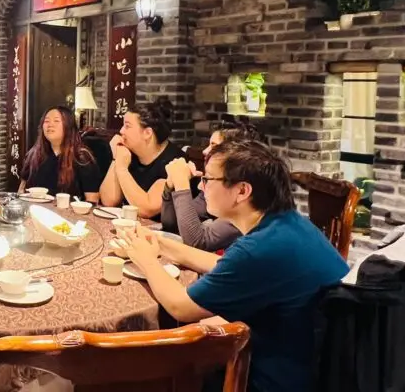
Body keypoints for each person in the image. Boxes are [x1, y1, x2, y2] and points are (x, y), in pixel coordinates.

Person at [118, 140, 348, 392]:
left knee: (155, 369)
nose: (202, 186)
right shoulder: (288, 225)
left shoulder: (258, 250)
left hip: (273, 378)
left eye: (208, 180)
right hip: (321, 367)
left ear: (241, 191)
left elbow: (179, 306)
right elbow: (223, 265)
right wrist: (162, 244)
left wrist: (147, 260)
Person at [159, 121, 261, 251]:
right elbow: (172, 226)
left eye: (214, 146)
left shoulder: (243, 198)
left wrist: (182, 184)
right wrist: (170, 186)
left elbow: (197, 241)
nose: (205, 151)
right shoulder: (215, 184)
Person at [99, 99, 184, 218]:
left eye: (127, 126)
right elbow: (108, 201)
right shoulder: (129, 153)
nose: (121, 131)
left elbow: (146, 209)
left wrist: (122, 169)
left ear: (147, 133)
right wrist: (116, 158)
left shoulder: (174, 162)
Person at [19, 107, 101, 202]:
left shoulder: (81, 157)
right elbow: (22, 189)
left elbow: (92, 199)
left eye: (56, 121)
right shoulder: (34, 154)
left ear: (68, 126)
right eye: (46, 121)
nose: (50, 125)